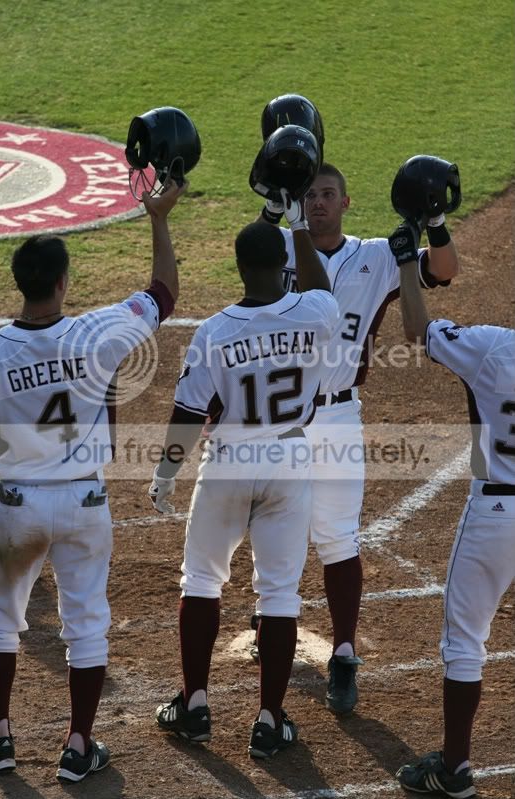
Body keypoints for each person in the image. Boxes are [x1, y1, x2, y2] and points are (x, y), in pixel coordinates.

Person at [0, 180, 186, 782]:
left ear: (20, 284)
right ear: (63, 283)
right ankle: (78, 746)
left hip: (18, 505)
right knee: (87, 624)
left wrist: (3, 456)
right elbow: (164, 293)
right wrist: (159, 218)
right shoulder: (100, 331)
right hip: (85, 502)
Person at [257, 162, 460, 714]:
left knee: (338, 537)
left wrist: (434, 224)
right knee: (272, 527)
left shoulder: (376, 256)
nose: (319, 202)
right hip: (278, 418)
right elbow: (250, 253)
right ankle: (267, 616)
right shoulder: (281, 246)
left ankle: (343, 654)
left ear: (346, 203)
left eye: (328, 194)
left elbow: (445, 269)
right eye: (310, 195)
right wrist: (274, 209)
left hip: (338, 417)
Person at [148, 191, 340, 758]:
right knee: (278, 592)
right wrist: (299, 226)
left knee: (201, 581)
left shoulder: (213, 331)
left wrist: (165, 473)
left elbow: (187, 414)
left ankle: (195, 707)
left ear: (238, 267)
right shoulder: (314, 312)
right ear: (283, 265)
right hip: (289, 461)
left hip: (229, 461)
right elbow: (322, 289)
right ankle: (269, 720)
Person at [388, 220, 515, 798]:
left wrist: (406, 262)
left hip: (495, 515)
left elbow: (417, 330)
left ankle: (456, 768)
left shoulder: (492, 347)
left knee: (464, 643)